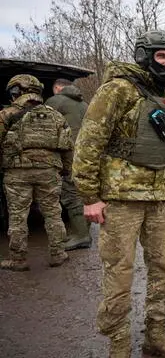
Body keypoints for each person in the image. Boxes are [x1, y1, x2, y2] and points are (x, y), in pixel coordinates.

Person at [72, 30, 165, 358]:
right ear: (144, 56)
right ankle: (119, 343)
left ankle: (156, 332)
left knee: (163, 269)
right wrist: (89, 196)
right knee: (119, 272)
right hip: (121, 198)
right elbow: (89, 142)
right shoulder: (117, 90)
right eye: (161, 56)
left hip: (161, 197)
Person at [0, 74, 73, 271]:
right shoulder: (55, 115)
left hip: (16, 172)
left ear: (16, 91)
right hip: (49, 172)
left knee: (17, 216)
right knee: (53, 214)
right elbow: (67, 147)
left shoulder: (6, 115)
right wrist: (66, 170)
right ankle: (58, 254)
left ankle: (18, 260)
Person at [45, 78, 91, 250]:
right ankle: (82, 232)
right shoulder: (84, 104)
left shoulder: (54, 101)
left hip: (68, 154)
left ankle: (82, 235)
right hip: (87, 153)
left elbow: (44, 127)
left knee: (71, 194)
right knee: (85, 192)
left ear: (57, 88)